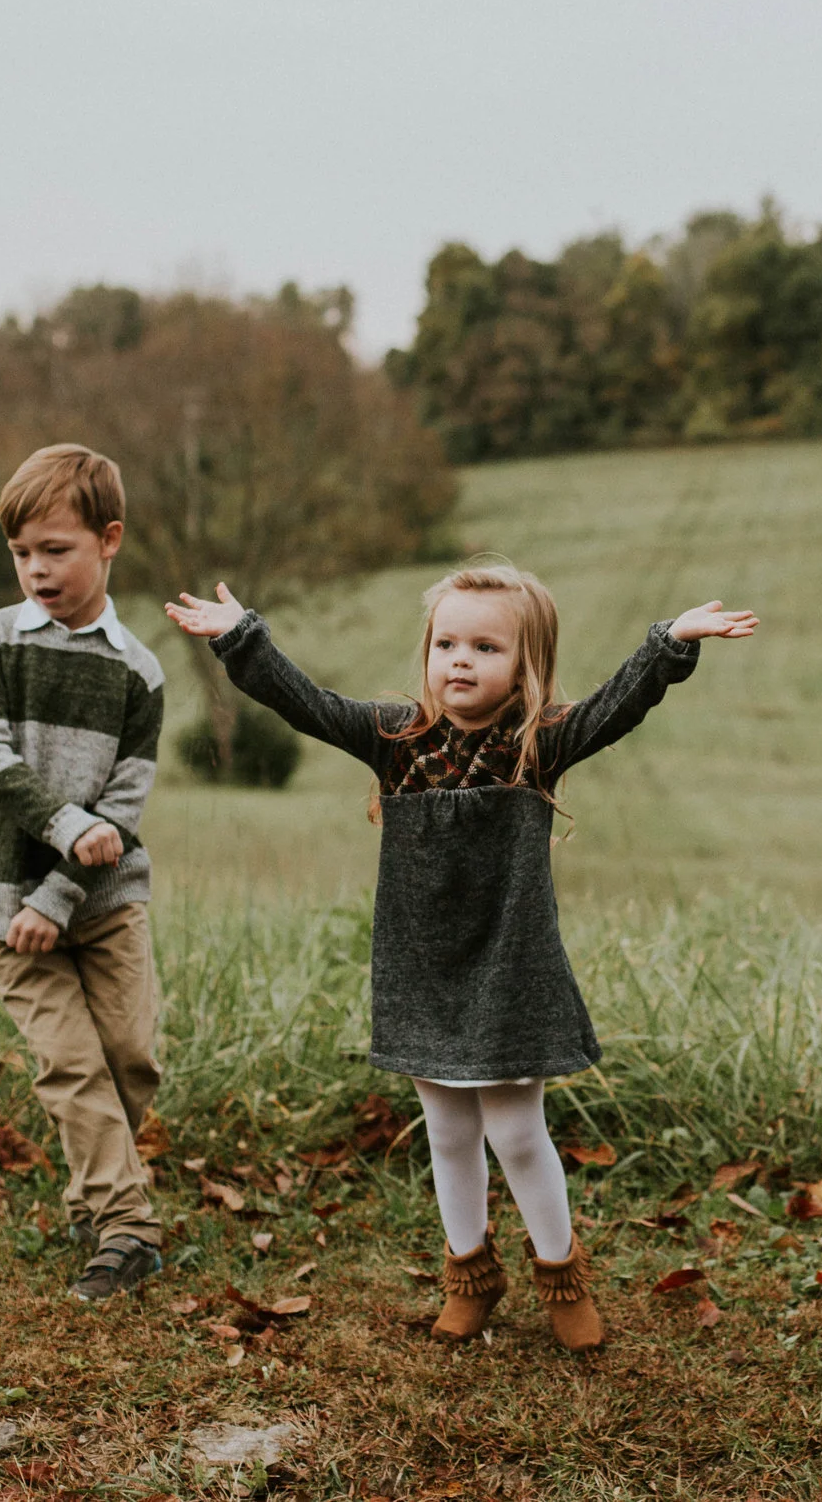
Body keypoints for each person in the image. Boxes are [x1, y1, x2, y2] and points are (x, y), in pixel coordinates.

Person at [167, 561, 756, 1350]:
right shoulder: (396, 739)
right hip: (422, 970)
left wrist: (669, 642)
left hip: (511, 969)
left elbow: (618, 704)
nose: (461, 661)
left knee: (516, 1132)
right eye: (447, 643)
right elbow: (306, 702)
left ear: (525, 662)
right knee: (446, 1131)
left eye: (485, 646)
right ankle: (471, 1277)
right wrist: (243, 638)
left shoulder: (539, 742)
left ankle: (563, 1278)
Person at [0, 444, 169, 1303]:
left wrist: (65, 889)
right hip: (9, 904)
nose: (36, 569)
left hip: (105, 904)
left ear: (108, 539)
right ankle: (127, 1229)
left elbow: (124, 806)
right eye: (21, 552)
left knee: (130, 1057)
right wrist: (62, 830)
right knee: (73, 1064)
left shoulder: (140, 672)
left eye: (56, 549)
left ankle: (95, 1196)